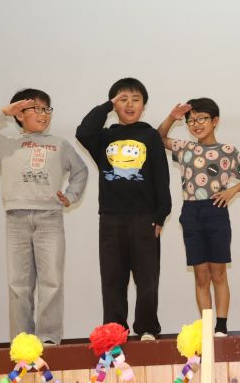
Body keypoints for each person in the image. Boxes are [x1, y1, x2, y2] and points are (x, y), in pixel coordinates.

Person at [0, 88, 88, 344]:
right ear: (19, 114)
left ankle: (48, 339)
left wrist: (71, 195)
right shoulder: (5, 143)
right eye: (36, 109)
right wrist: (3, 113)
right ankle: (22, 342)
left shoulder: (59, 144)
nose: (43, 114)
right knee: (18, 285)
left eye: (47, 109)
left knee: (52, 282)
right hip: (16, 219)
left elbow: (81, 171)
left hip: (50, 219)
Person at [76, 78, 171, 341]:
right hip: (111, 218)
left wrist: (161, 213)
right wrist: (106, 106)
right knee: (112, 279)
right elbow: (83, 132)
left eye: (135, 99)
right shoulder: (104, 137)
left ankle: (147, 328)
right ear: (114, 105)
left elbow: (161, 177)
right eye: (123, 99)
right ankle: (114, 331)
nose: (129, 104)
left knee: (147, 278)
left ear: (144, 105)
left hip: (145, 218)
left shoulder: (150, 136)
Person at [158, 97, 240, 337]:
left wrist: (232, 190)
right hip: (191, 213)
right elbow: (158, 137)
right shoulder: (185, 148)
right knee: (201, 275)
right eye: (191, 121)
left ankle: (220, 326)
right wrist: (172, 117)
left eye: (202, 119)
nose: (196, 124)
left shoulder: (227, 151)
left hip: (216, 211)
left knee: (218, 272)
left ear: (215, 121)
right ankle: (205, 328)